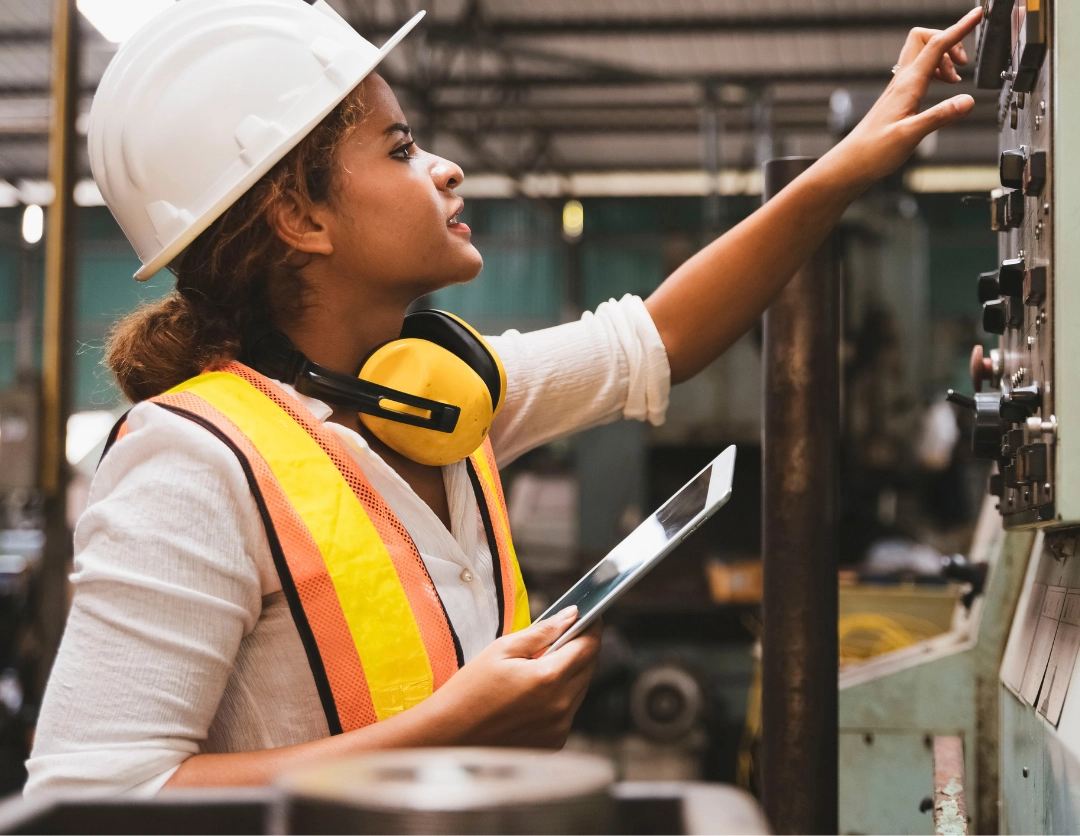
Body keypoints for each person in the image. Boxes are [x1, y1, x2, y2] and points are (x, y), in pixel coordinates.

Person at [24, 0, 983, 797]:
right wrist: (451, 728)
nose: (444, 167)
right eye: (400, 151)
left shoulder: (446, 398)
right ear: (299, 216)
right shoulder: (191, 462)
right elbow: (88, 799)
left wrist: (848, 162)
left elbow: (655, 338)